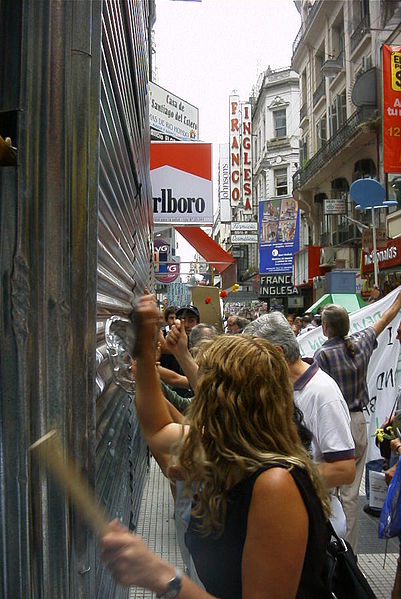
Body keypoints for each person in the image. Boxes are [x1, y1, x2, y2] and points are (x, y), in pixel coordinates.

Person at [101, 295, 332, 598]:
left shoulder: (276, 486)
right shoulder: (228, 448)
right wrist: (144, 354)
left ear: (228, 402)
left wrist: (160, 576)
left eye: (206, 386)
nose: (198, 394)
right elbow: (158, 431)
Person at [243, 312, 356, 537]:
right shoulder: (275, 387)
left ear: (277, 353)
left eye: (254, 357)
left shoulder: (322, 393)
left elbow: (344, 469)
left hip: (316, 518)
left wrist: (280, 475)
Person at [314, 291, 401, 551]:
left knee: (329, 490)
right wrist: (397, 301)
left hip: (333, 425)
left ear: (325, 327)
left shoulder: (322, 355)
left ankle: (328, 547)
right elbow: (385, 318)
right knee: (351, 494)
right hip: (358, 424)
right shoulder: (362, 342)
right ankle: (348, 552)